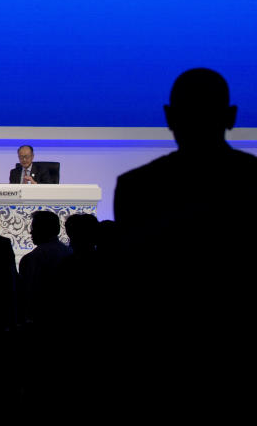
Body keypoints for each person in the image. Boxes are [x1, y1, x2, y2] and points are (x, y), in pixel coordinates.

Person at [112, 67, 257, 420]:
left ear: (169, 117)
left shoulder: (136, 189)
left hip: (161, 373)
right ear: (232, 117)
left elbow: (129, 296)